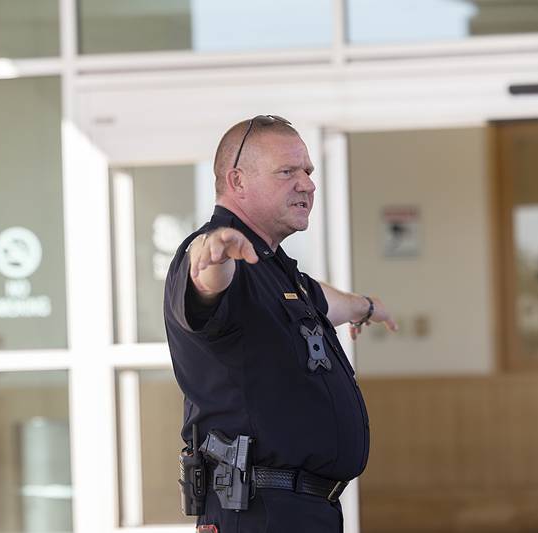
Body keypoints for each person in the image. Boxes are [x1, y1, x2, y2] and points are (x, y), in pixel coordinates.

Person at [164, 115, 398, 532]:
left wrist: (365, 306)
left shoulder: (273, 267)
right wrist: (212, 251)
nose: (307, 184)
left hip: (303, 510)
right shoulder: (221, 256)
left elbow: (323, 302)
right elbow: (206, 283)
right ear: (237, 181)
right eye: (287, 172)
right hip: (257, 511)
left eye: (307, 171)